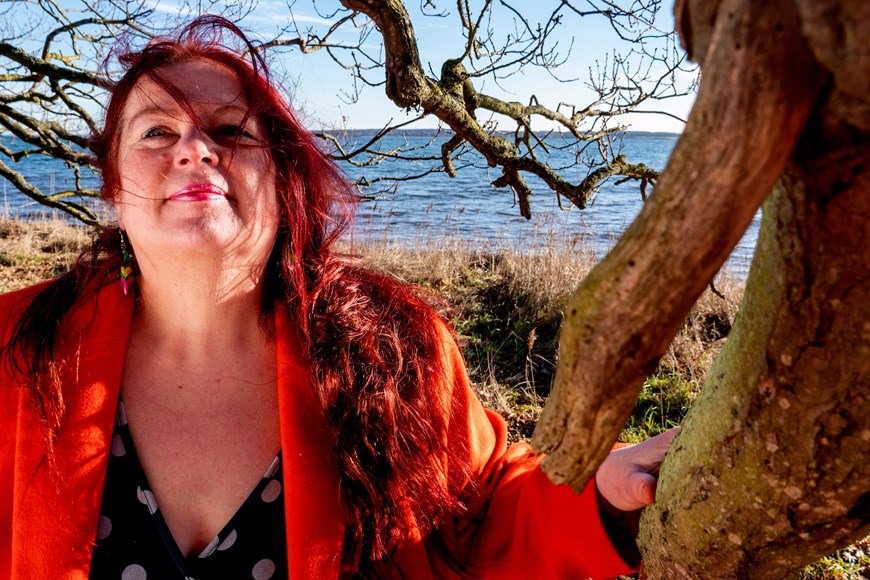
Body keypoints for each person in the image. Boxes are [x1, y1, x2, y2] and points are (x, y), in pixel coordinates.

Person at [0, 16, 677, 580]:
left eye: (231, 131)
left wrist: (599, 497)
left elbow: (484, 511)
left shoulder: (395, 350)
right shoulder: (12, 346)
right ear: (113, 184)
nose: (195, 150)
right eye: (156, 131)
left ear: (283, 175)